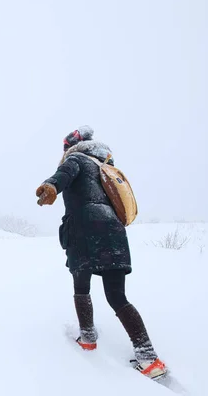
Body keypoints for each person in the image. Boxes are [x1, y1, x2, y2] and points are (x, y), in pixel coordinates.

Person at [35, 125, 167, 380]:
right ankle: (148, 357)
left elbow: (62, 176)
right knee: (117, 296)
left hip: (85, 232)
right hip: (115, 233)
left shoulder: (76, 159)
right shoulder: (105, 166)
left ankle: (87, 338)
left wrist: (50, 186)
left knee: (81, 287)